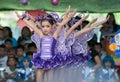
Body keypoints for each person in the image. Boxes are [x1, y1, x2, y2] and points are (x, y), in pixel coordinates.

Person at [16, 6, 109, 82]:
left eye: (47, 26)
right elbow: (33, 25)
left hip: (52, 62)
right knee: (40, 77)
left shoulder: (56, 36)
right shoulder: (41, 35)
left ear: (52, 27)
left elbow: (66, 26)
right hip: (42, 60)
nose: (44, 28)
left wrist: (92, 25)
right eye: (43, 26)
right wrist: (22, 18)